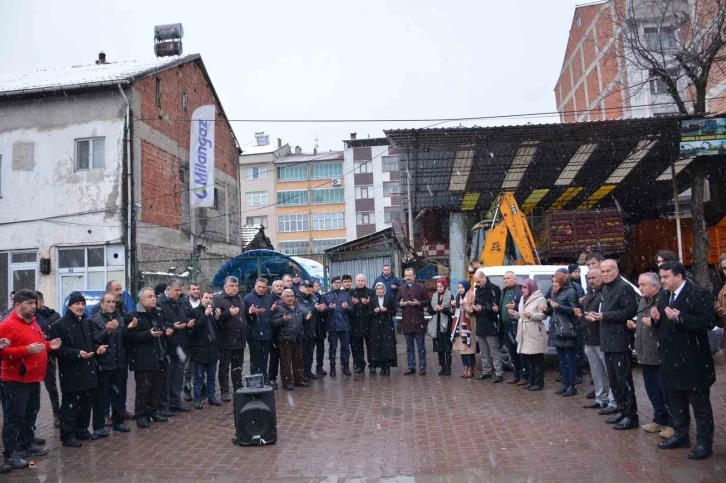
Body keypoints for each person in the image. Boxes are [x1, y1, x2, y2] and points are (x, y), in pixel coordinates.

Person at [652, 261, 716, 460]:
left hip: (694, 360)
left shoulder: (699, 293)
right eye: (661, 277)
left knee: (700, 406)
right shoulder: (663, 296)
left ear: (679, 276)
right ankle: (680, 436)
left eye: (666, 277)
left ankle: (704, 443)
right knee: (676, 403)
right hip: (671, 360)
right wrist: (656, 319)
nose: (662, 280)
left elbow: (708, 322)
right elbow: (662, 327)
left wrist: (681, 318)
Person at [0, 289, 61, 469]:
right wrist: (25, 351)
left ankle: (26, 444)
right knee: (14, 418)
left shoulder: (33, 323)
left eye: (34, 304)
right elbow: (2, 352)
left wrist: (49, 345)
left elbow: (37, 346)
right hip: (14, 380)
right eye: (29, 304)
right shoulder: (7, 325)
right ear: (17, 305)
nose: (33, 307)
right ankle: (10, 453)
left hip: (33, 378)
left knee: (30, 413)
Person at [588, 259, 639, 430]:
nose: (605, 274)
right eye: (603, 272)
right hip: (607, 340)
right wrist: (598, 316)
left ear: (616, 271)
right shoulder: (606, 289)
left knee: (623, 379)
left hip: (620, 341)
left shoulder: (624, 288)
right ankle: (622, 409)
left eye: (608, 271)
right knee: (614, 380)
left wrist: (605, 316)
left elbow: (630, 310)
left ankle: (631, 415)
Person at [51, 292, 106, 448]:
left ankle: (82, 429)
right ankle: (68, 435)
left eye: (82, 304)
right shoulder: (59, 325)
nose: (80, 307)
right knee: (70, 405)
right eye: (77, 304)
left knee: (86, 403)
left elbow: (89, 343)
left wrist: (96, 349)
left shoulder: (85, 322)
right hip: (71, 372)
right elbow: (57, 350)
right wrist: (76, 354)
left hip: (88, 370)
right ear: (70, 306)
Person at [125, 287, 171, 428]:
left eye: (154, 296)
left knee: (157, 387)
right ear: (141, 299)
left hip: (159, 356)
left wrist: (165, 332)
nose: (153, 299)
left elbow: (160, 330)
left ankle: (153, 410)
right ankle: (141, 415)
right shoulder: (133, 315)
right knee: (143, 389)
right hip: (143, 359)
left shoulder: (157, 313)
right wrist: (147, 334)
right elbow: (128, 338)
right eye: (149, 296)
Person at [631, 272, 671, 436]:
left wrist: (655, 323)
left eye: (643, 285)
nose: (640, 288)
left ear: (655, 287)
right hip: (645, 354)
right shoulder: (643, 300)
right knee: (652, 390)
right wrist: (634, 324)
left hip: (659, 355)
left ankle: (672, 424)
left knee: (665, 391)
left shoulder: (663, 300)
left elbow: (668, 326)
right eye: (639, 285)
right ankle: (659, 419)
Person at [89, 293, 130, 436]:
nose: (112, 304)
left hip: (119, 363)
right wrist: (107, 331)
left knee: (117, 394)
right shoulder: (94, 320)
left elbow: (123, 338)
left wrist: (129, 328)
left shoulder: (119, 318)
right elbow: (95, 340)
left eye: (113, 302)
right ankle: (98, 426)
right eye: (108, 302)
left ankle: (118, 421)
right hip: (103, 364)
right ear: (101, 304)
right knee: (100, 397)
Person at [578, 269, 617, 412]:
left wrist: (598, 318)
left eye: (594, 277)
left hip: (602, 338)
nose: (591, 280)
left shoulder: (606, 292)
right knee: (596, 372)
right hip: (589, 338)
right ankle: (600, 398)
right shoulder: (590, 293)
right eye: (589, 278)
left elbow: (609, 314)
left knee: (609, 372)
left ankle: (613, 401)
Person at [156, 278, 190, 414]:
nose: (179, 293)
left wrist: (188, 321)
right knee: (167, 376)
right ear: (168, 289)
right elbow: (158, 322)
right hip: (167, 345)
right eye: (176, 290)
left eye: (181, 290)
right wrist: (171, 327)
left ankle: (176, 401)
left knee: (178, 375)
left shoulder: (181, 302)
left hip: (180, 344)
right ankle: (165, 404)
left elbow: (185, 316)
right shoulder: (160, 303)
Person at [545, 272, 579, 397]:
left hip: (568, 329)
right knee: (561, 359)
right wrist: (547, 310)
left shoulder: (570, 292)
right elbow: (552, 311)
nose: (554, 283)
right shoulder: (554, 292)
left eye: (556, 281)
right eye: (552, 281)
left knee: (570, 358)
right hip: (557, 329)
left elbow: (574, 310)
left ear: (562, 281)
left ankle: (572, 385)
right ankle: (565, 384)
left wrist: (559, 306)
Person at [187, 290, 223, 409]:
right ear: (201, 298)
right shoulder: (193, 312)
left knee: (212, 376)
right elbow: (195, 328)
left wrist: (217, 318)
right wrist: (205, 315)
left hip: (212, 349)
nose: (208, 300)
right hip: (199, 350)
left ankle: (211, 397)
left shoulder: (213, 312)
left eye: (211, 298)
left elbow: (218, 330)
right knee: (199, 377)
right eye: (206, 297)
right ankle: (197, 399)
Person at [510, 279, 547, 391]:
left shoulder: (540, 299)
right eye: (522, 288)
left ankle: (539, 382)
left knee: (537, 358)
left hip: (535, 331)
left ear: (530, 287)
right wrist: (515, 314)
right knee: (528, 358)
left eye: (525, 287)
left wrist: (532, 315)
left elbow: (544, 315)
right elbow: (522, 315)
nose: (523, 290)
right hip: (525, 331)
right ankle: (531, 380)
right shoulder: (522, 299)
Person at [214, 276, 247, 397]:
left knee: (238, 366)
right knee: (224, 367)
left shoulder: (240, 298)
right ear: (225, 287)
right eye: (231, 286)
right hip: (226, 340)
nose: (234, 288)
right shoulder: (218, 299)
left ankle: (238, 387)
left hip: (240, 339)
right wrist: (228, 313)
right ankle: (224, 391)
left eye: (236, 286)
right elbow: (216, 319)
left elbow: (243, 316)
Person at [272, 289, 310, 391]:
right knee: (286, 362)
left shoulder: (298, 307)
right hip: (285, 339)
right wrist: (282, 320)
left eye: (292, 296)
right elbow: (274, 323)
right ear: (282, 298)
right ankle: (287, 382)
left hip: (297, 338)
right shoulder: (279, 308)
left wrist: (307, 318)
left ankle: (299, 379)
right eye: (287, 296)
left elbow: (304, 316)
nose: (290, 298)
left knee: (298, 360)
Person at [34, 291, 61, 428]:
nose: (33, 305)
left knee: (51, 385)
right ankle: (31, 421)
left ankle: (57, 413)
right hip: (32, 356)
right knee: (32, 388)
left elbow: (60, 332)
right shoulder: (28, 317)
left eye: (35, 302)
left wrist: (49, 338)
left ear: (42, 301)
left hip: (49, 355)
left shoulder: (53, 315)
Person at [471, 269, 503, 383]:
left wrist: (483, 308)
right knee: (483, 351)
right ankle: (486, 371)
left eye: (478, 281)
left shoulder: (494, 289)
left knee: (494, 350)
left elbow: (496, 306)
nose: (477, 284)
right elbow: (476, 303)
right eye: (476, 282)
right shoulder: (477, 290)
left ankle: (499, 373)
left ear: (484, 278)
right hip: (480, 323)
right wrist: (473, 309)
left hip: (490, 323)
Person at [397, 267, 431, 376]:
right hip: (407, 322)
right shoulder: (401, 289)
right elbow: (396, 302)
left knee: (421, 346)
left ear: (414, 276)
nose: (408, 277)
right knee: (409, 347)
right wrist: (400, 304)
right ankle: (411, 367)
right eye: (406, 275)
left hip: (418, 321)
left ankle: (422, 367)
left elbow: (427, 301)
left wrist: (418, 303)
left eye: (410, 275)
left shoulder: (420, 288)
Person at [323, 276, 353, 377]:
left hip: (344, 325)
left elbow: (351, 310)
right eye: (335, 282)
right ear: (331, 283)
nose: (337, 284)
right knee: (332, 348)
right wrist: (328, 308)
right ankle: (332, 367)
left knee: (345, 347)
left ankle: (346, 367)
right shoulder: (326, 296)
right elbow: (322, 311)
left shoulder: (345, 295)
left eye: (338, 283)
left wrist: (347, 307)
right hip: (332, 326)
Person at [368, 282, 397, 375]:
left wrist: (387, 310)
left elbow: (394, 312)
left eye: (381, 289)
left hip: (387, 324)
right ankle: (380, 366)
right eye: (378, 289)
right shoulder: (372, 300)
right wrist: (375, 311)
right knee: (378, 346)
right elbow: (369, 313)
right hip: (376, 326)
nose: (379, 290)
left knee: (387, 346)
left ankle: (387, 366)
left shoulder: (389, 299)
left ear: (384, 290)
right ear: (376, 290)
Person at [499, 271, 523, 384]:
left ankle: (522, 375)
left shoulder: (519, 291)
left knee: (519, 352)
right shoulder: (504, 291)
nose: (505, 280)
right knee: (512, 352)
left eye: (508, 278)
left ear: (514, 279)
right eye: (504, 278)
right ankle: (516, 374)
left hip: (516, 326)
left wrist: (516, 306)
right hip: (506, 326)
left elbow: (524, 307)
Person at [349, 274, 375, 375]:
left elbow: (375, 306)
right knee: (357, 347)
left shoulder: (371, 292)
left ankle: (372, 365)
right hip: (355, 323)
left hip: (368, 323)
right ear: (356, 281)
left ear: (366, 282)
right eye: (358, 281)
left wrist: (368, 304)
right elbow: (348, 308)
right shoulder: (351, 292)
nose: (360, 282)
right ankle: (360, 365)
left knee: (370, 346)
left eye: (362, 281)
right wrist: (352, 304)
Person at [427, 278, 453, 376]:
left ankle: (448, 367)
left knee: (447, 348)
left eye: (441, 286)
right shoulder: (434, 296)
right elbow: (429, 310)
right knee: (439, 348)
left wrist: (444, 309)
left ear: (445, 286)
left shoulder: (450, 296)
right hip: (436, 325)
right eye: (437, 287)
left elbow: (452, 311)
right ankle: (442, 366)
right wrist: (434, 309)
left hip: (446, 325)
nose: (439, 288)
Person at [182, 282, 202, 402]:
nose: (195, 291)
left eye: (197, 288)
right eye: (193, 289)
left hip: (202, 339)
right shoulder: (183, 303)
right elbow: (182, 317)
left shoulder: (203, 302)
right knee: (187, 367)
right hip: (188, 339)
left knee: (200, 366)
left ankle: (200, 388)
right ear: (188, 291)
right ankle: (187, 389)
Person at [451, 281, 476, 378]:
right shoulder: (458, 297)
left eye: (462, 287)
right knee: (462, 348)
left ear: (466, 287)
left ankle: (470, 368)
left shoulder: (471, 296)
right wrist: (453, 305)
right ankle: (465, 367)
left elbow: (471, 311)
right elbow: (453, 311)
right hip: (459, 325)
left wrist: (464, 305)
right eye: (458, 287)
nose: (460, 289)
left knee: (469, 348)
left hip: (469, 325)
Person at [296, 281, 319, 380]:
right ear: (300, 288)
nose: (308, 288)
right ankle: (302, 374)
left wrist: (320, 308)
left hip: (312, 329)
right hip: (303, 330)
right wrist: (314, 308)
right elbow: (303, 311)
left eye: (310, 286)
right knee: (303, 353)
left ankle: (308, 371)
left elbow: (314, 308)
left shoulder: (312, 297)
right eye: (306, 287)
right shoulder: (297, 298)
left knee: (310, 352)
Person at [267, 279, 285, 389]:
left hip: (286, 331)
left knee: (285, 357)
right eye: (277, 286)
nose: (279, 287)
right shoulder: (269, 299)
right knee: (274, 357)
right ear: (272, 288)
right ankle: (272, 378)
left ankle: (285, 377)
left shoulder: (287, 297)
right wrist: (271, 310)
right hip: (274, 332)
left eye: (281, 286)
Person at [374, 265, 400, 332]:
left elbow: (401, 289)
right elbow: (373, 289)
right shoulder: (378, 279)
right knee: (382, 319)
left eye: (387, 269)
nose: (386, 271)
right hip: (380, 303)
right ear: (382, 270)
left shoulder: (395, 279)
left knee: (393, 319)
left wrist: (396, 287)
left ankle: (393, 334)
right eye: (385, 270)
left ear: (390, 270)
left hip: (391, 303)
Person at [311, 280, 328, 376]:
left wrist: (324, 309)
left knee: (320, 348)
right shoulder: (308, 297)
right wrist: (315, 308)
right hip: (312, 326)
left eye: (319, 286)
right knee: (310, 349)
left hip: (320, 326)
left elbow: (326, 310)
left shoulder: (322, 297)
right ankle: (308, 369)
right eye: (316, 286)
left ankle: (319, 366)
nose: (318, 287)